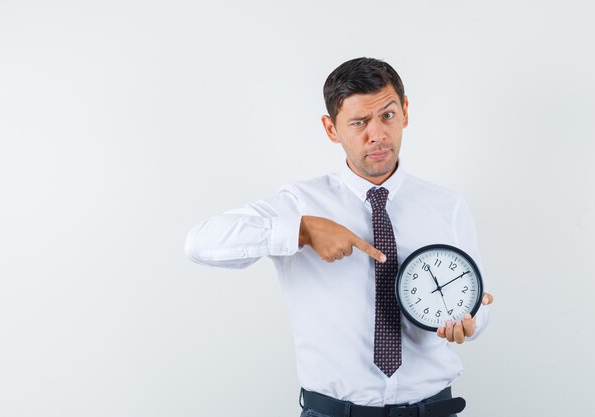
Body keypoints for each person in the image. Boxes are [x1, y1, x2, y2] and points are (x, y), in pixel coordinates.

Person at [185, 57, 493, 417]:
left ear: (405, 112)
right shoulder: (299, 203)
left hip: (434, 409)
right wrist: (301, 229)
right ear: (331, 129)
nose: (377, 134)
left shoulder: (448, 206)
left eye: (388, 116)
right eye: (359, 122)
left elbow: (476, 300)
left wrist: (471, 324)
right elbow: (200, 243)